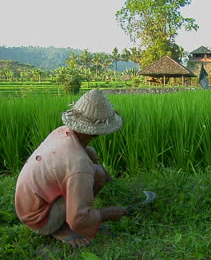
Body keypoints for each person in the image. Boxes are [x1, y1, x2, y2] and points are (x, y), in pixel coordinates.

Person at [15, 89, 127, 248]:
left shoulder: (61, 132)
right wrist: (106, 213)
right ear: (98, 132)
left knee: (98, 169)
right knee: (79, 213)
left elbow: (86, 157)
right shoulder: (78, 165)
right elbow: (78, 219)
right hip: (40, 219)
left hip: (29, 204)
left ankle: (78, 207)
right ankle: (61, 229)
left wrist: (104, 174)